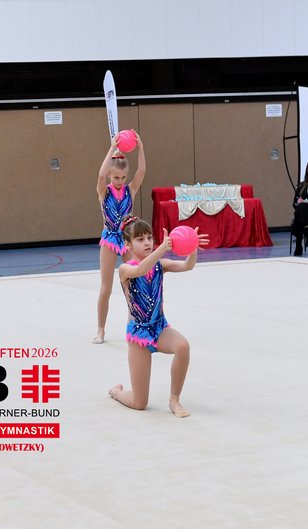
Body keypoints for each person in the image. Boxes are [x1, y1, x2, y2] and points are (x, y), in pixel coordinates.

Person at [108, 216, 208, 417]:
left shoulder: (160, 265)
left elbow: (187, 266)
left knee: (182, 346)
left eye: (149, 237)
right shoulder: (125, 269)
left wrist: (192, 247)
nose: (147, 242)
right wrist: (161, 249)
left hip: (159, 328)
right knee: (139, 403)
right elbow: (140, 269)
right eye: (140, 239)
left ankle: (174, 399)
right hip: (138, 336)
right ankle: (117, 392)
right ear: (127, 245)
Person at [94, 130, 146, 344]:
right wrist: (111, 148)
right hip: (109, 240)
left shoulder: (130, 190)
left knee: (131, 287)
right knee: (106, 287)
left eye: (123, 177)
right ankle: (100, 330)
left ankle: (134, 325)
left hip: (126, 240)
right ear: (110, 175)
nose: (120, 181)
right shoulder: (103, 191)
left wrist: (140, 147)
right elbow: (100, 175)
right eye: (116, 177)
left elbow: (142, 171)